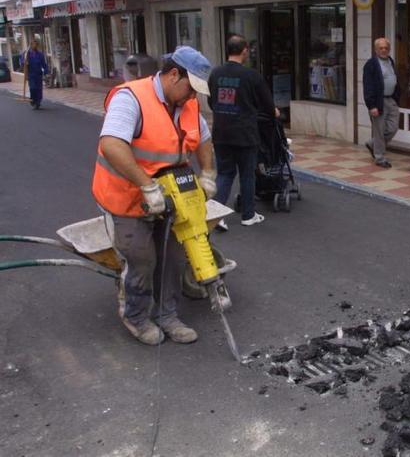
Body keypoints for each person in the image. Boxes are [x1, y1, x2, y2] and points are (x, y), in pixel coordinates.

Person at [91, 46, 217, 346]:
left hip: (171, 193)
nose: (193, 97)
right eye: (191, 88)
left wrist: (208, 173)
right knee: (142, 258)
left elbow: (204, 140)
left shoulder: (188, 104)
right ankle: (136, 317)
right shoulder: (131, 98)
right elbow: (111, 144)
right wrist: (147, 186)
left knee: (173, 256)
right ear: (174, 75)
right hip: (127, 195)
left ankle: (168, 315)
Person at [207, 34, 278, 230]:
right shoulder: (252, 76)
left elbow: (211, 102)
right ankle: (248, 215)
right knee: (247, 174)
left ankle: (218, 215)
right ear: (244, 50)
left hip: (221, 132)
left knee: (225, 174)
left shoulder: (215, 74)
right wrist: (273, 112)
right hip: (245, 133)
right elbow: (267, 105)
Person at [362, 37, 400, 168]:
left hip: (391, 100)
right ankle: (379, 158)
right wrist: (371, 105)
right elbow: (367, 86)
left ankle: (373, 144)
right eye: (381, 48)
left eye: (386, 48)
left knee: (393, 128)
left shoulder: (390, 61)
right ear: (375, 49)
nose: (384, 50)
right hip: (378, 101)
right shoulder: (371, 64)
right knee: (379, 131)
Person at [22, 39, 49, 110]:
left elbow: (44, 64)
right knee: (33, 88)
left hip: (38, 74)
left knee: (39, 89)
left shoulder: (40, 54)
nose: (35, 46)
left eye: (36, 44)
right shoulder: (27, 53)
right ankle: (33, 100)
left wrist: (46, 72)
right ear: (31, 45)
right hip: (31, 74)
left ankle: (38, 102)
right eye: (34, 44)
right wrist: (25, 62)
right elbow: (22, 62)